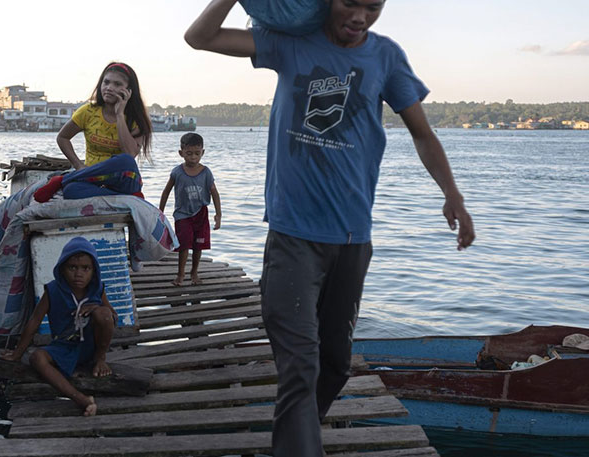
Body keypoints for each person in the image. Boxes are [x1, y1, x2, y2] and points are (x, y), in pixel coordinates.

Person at [185, 1, 476, 455]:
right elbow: (199, 38)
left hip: (353, 240)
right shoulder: (291, 43)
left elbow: (421, 132)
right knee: (300, 367)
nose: (360, 16)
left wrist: (452, 194)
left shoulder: (385, 56)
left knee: (335, 365)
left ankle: (294, 441)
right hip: (293, 238)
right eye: (349, 3)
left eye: (373, 6)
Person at [0, 237, 116, 416]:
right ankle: (80, 399)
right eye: (73, 268)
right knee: (37, 358)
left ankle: (100, 360)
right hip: (64, 347)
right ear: (62, 269)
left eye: (86, 268)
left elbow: (112, 317)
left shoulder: (97, 290)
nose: (79, 274)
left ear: (94, 271)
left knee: (104, 314)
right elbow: (34, 321)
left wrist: (96, 307)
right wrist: (18, 353)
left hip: (91, 349)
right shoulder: (53, 291)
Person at [57, 62, 153, 170]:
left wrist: (119, 115)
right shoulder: (88, 111)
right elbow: (62, 137)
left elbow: (130, 155)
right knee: (70, 187)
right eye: (106, 82)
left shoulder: (136, 119)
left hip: (122, 178)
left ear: (129, 91)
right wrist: (78, 165)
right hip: (91, 175)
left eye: (117, 84)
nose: (109, 88)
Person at [158, 133, 222, 286]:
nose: (193, 157)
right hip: (182, 215)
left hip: (201, 213)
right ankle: (180, 275)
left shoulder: (206, 173)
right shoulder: (177, 172)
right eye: (189, 153)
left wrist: (218, 214)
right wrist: (160, 212)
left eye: (197, 153)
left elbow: (214, 192)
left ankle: (194, 273)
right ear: (181, 153)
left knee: (198, 245)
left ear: (202, 153)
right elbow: (166, 192)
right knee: (184, 245)